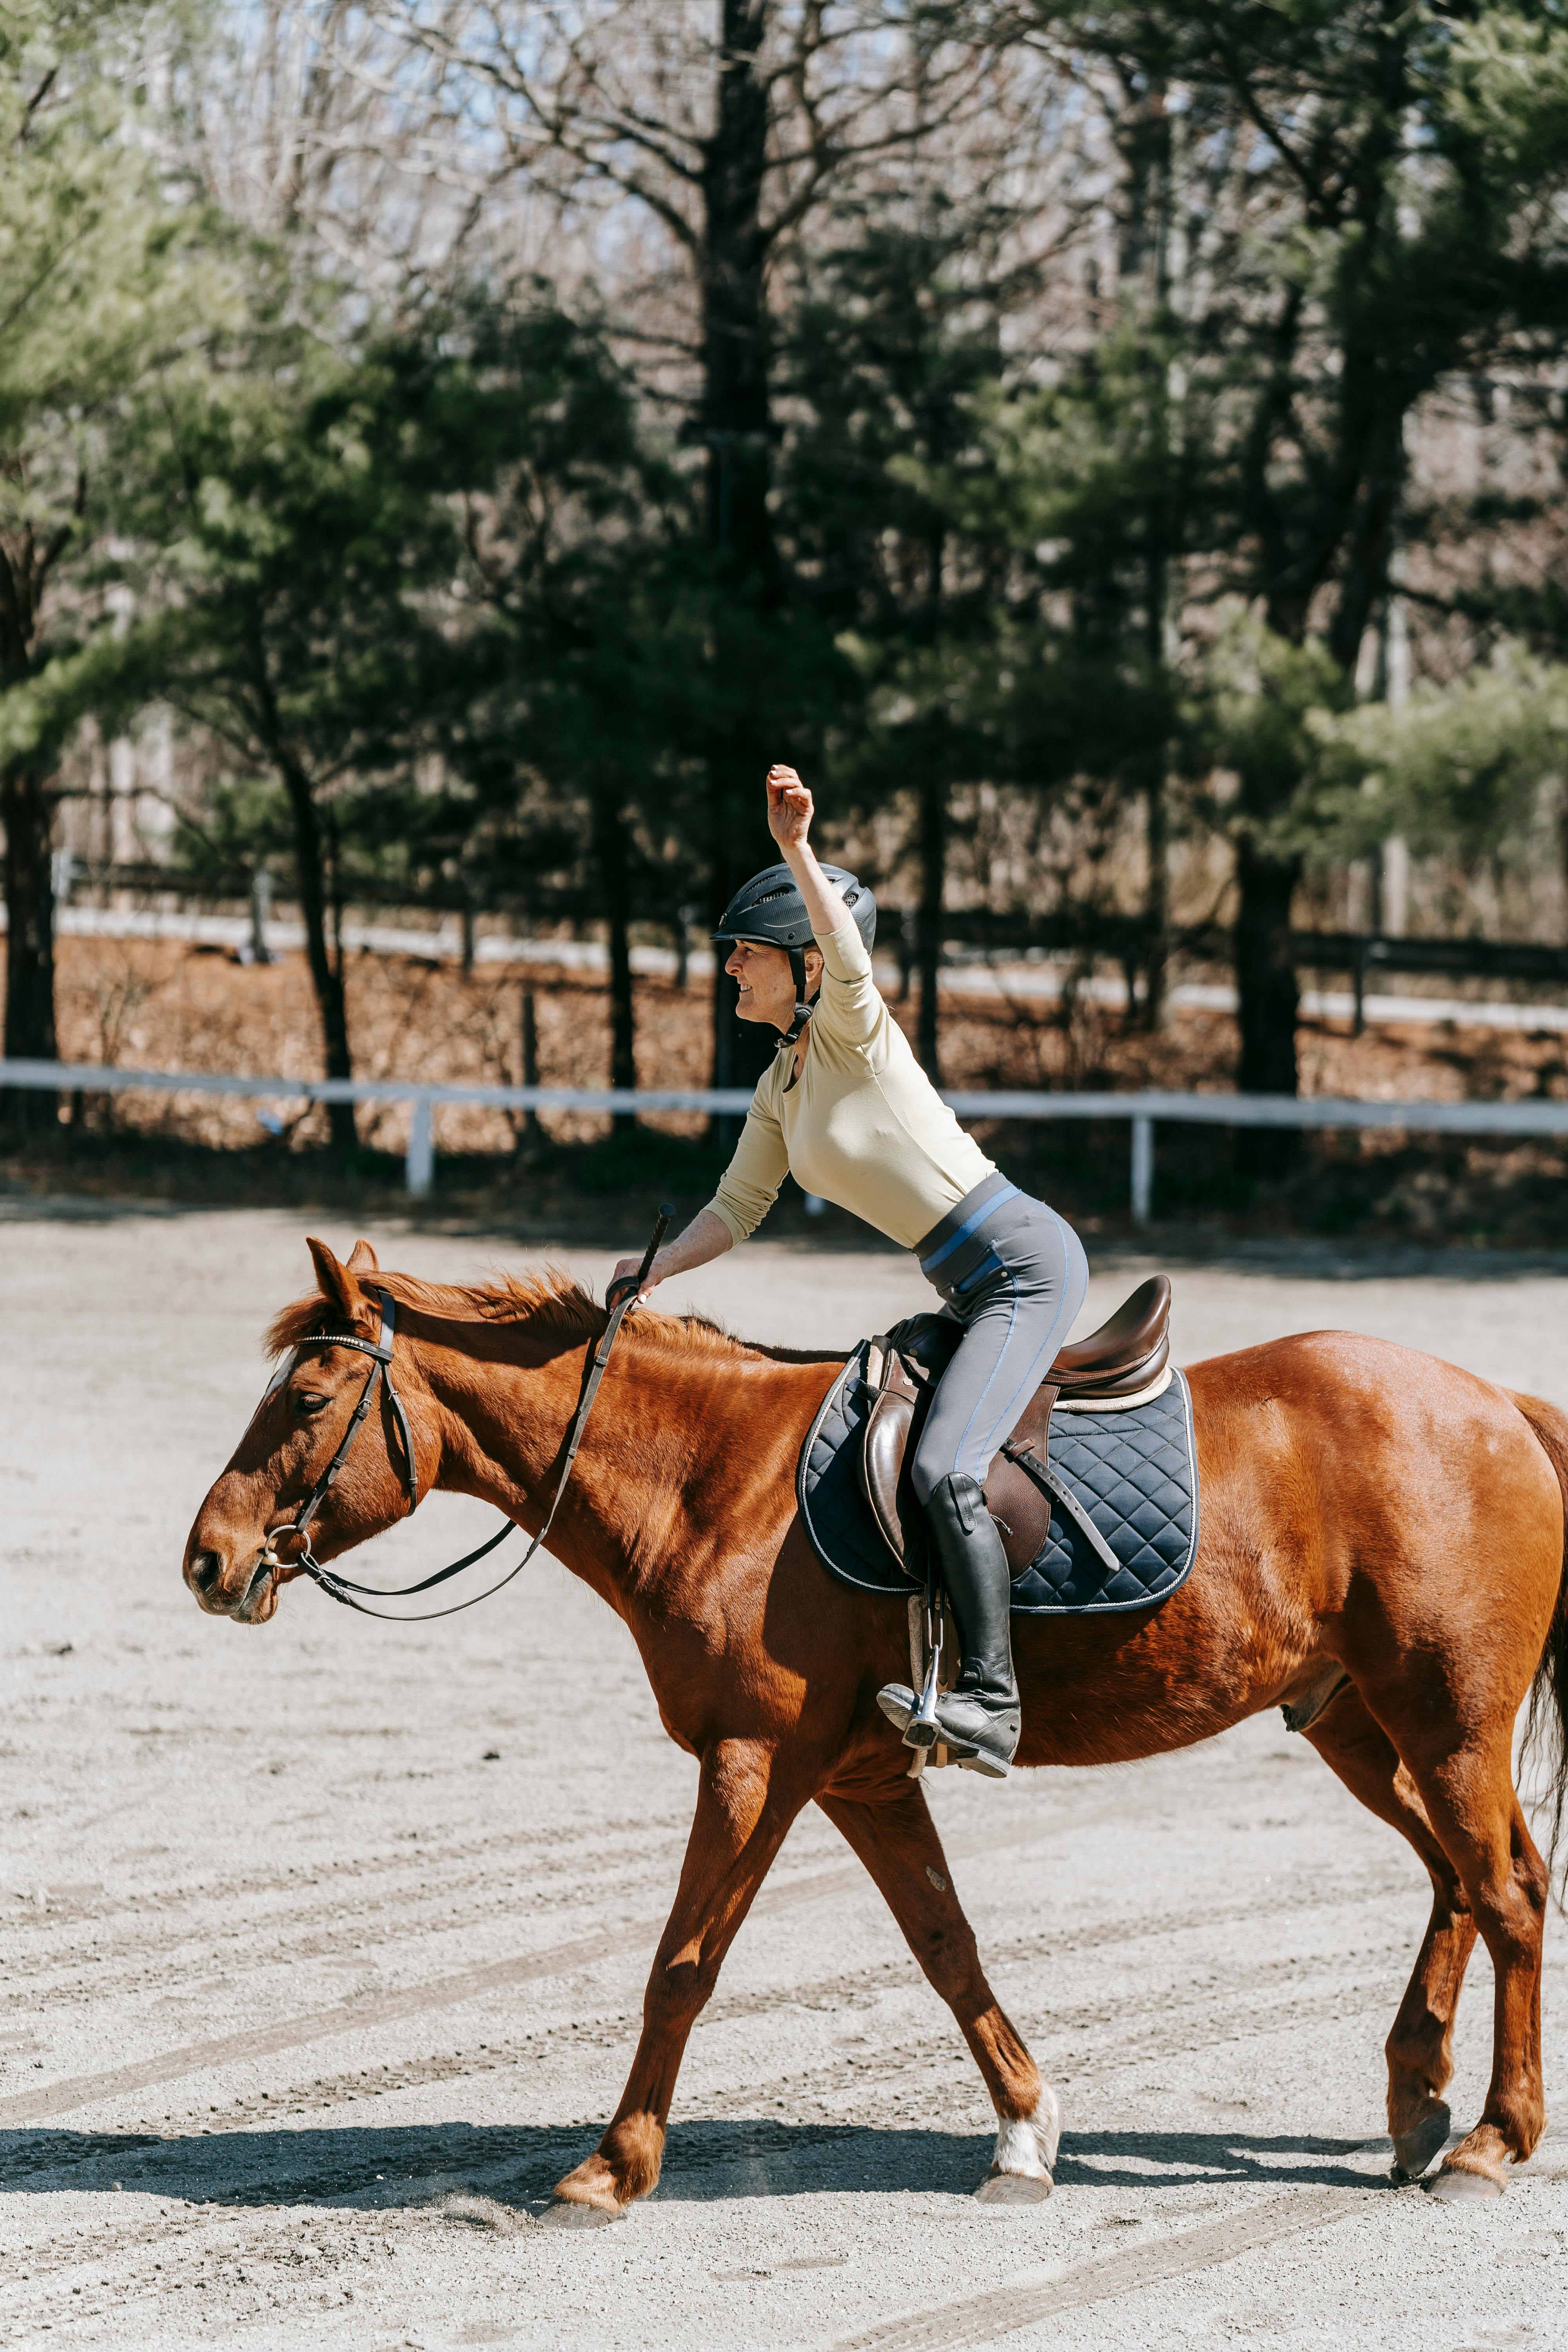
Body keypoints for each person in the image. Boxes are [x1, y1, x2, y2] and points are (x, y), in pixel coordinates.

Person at [612, 766, 1088, 1778]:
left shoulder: (853, 1031)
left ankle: (994, 1703)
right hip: (967, 1286)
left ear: (801, 963)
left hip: (1022, 1268)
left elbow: (850, 956)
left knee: (944, 1468)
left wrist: (796, 847)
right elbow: (735, 1210)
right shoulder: (782, 1083)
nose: (730, 968)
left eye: (746, 952)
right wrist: (652, 1270)